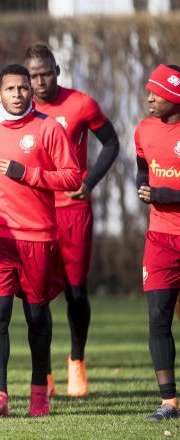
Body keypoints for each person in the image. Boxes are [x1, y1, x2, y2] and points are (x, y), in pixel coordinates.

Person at [0, 64, 80, 417]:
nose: (18, 94)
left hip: (39, 238)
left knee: (36, 317)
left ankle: (39, 396)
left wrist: (27, 174)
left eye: (23, 88)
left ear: (30, 91)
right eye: (11, 89)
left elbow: (72, 176)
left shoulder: (48, 128)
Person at [24, 43, 120, 397]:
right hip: (35, 213)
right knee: (37, 297)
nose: (39, 82)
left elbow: (111, 143)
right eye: (33, 76)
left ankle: (76, 359)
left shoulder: (81, 104)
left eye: (45, 73)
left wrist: (88, 181)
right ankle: (43, 373)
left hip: (74, 211)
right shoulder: (21, 109)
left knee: (76, 293)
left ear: (57, 71)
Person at [135, 64, 180, 421]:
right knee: (157, 319)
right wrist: (144, 187)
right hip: (160, 238)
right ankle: (169, 402)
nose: (150, 97)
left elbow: (162, 188)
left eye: (158, 92)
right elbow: (142, 165)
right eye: (149, 90)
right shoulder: (144, 130)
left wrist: (162, 192)